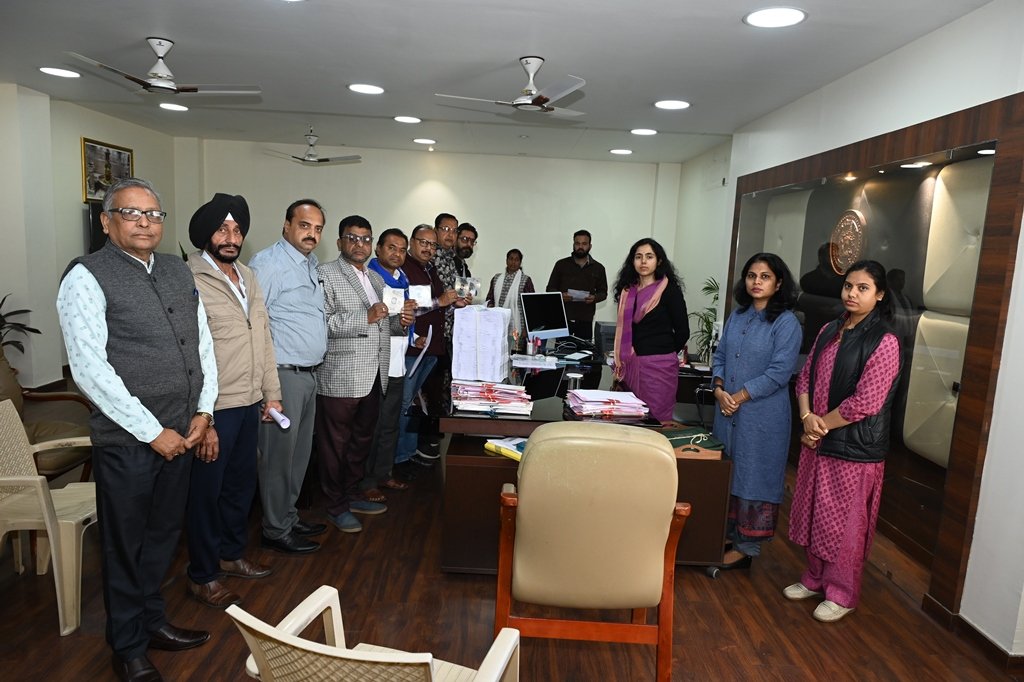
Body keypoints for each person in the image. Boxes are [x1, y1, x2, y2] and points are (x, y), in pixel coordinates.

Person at [56, 177, 217, 681]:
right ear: (107, 222)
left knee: (163, 537)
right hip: (129, 442)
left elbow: (203, 344)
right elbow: (88, 368)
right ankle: (127, 646)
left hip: (183, 433)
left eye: (154, 214)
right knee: (125, 547)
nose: (145, 222)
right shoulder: (86, 275)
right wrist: (151, 431)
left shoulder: (176, 269)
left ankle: (152, 622)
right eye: (131, 213)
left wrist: (205, 410)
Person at [785, 260, 902, 623]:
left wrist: (818, 426)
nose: (852, 293)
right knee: (815, 513)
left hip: (853, 448)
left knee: (845, 524)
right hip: (817, 439)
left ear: (879, 295)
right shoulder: (829, 329)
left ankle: (842, 593)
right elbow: (805, 377)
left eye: (863, 288)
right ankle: (815, 578)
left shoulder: (884, 341)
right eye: (849, 286)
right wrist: (807, 416)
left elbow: (866, 402)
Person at [185, 193, 279, 609]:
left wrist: (272, 394)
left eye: (237, 229)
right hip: (214, 406)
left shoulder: (248, 276)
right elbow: (188, 354)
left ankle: (230, 554)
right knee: (207, 493)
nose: (231, 237)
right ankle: (203, 575)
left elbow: (264, 338)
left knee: (241, 485)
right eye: (222, 229)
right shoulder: (188, 277)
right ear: (207, 233)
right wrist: (202, 417)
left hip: (249, 399)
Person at [315, 215, 415, 533]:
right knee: (336, 445)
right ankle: (335, 506)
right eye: (353, 238)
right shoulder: (325, 274)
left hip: (374, 375)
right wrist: (365, 316)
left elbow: (385, 323)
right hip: (341, 376)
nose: (360, 244)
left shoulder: (375, 279)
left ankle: (352, 494)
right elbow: (322, 323)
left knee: (360, 443)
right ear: (340, 242)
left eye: (366, 239)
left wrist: (402, 322)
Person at [711, 253, 802, 570]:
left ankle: (746, 548)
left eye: (765, 277)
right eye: (751, 275)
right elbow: (720, 357)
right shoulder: (737, 316)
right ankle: (728, 535)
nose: (757, 282)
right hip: (727, 413)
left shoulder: (786, 323)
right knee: (727, 472)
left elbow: (779, 373)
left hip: (762, 418)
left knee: (754, 476)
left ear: (778, 283)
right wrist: (719, 390)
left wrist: (738, 397)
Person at [249, 199, 329, 554]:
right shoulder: (269, 264)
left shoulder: (309, 264)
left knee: (298, 456)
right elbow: (254, 323)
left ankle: (288, 516)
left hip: (308, 375)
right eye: (304, 225)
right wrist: (267, 388)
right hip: (282, 376)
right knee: (278, 458)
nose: (311, 234)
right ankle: (275, 528)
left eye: (317, 228)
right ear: (286, 225)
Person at [396, 224, 458, 472]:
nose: (428, 248)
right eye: (423, 242)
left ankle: (409, 452)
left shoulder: (430, 269)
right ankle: (398, 459)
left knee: (414, 405)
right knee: (404, 405)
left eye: (433, 245)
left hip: (431, 348)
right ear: (412, 242)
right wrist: (440, 301)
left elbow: (436, 307)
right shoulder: (404, 268)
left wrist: (452, 305)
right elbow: (406, 310)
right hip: (411, 349)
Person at [610, 238, 689, 422]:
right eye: (638, 257)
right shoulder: (627, 292)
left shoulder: (670, 291)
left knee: (656, 420)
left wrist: (662, 354)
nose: (643, 261)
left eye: (649, 256)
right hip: (630, 366)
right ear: (632, 261)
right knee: (629, 421)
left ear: (658, 261)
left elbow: (683, 331)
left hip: (659, 368)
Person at [362, 227, 413, 501]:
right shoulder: (369, 278)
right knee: (373, 425)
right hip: (375, 363)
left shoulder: (401, 278)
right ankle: (366, 481)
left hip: (397, 361)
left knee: (391, 423)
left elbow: (403, 320)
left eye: (402, 250)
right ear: (378, 249)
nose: (397, 254)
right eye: (391, 247)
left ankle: (384, 473)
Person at [546, 229, 608, 340]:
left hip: (585, 320)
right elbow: (550, 288)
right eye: (577, 243)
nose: (580, 247)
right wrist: (560, 296)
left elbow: (603, 293)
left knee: (584, 350)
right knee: (561, 350)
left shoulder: (598, 268)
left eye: (584, 244)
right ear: (573, 245)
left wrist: (594, 298)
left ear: (590, 246)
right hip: (563, 319)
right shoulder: (561, 265)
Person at [485, 248, 535, 351]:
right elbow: (490, 299)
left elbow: (531, 306)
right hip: (498, 324)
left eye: (516, 259)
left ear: (520, 262)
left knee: (515, 354)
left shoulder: (525, 280)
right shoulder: (496, 278)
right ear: (506, 260)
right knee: (498, 353)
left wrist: (527, 328)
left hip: (518, 326)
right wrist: (490, 308)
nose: (513, 262)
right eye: (511, 259)